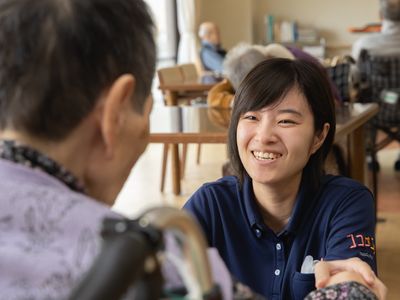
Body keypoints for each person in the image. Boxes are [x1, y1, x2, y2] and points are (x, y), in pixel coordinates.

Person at [183, 58, 380, 299]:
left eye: (285, 120)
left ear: (318, 136)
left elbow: (348, 284)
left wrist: (350, 285)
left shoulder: (347, 203)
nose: (264, 136)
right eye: (252, 117)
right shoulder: (210, 205)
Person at [207, 43, 342, 109]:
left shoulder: (302, 68)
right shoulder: (240, 66)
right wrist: (234, 101)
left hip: (330, 103)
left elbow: (329, 103)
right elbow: (214, 95)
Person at [351, 0, 400, 171]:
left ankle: (371, 155)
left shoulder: (364, 45)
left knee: (365, 97)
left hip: (375, 110)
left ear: (381, 15)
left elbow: (355, 77)